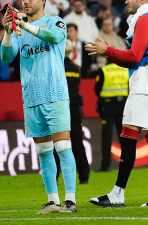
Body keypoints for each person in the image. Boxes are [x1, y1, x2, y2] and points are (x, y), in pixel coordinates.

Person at [86, 0, 148, 207]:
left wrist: (109, 51)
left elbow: (134, 56)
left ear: (141, 0)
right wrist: (111, 54)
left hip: (144, 85)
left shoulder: (144, 19)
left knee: (128, 137)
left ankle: (117, 194)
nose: (126, 1)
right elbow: (134, 57)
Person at [0, 0, 77, 213]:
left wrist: (24, 24)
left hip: (55, 94)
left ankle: (70, 200)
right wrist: (8, 32)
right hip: (31, 98)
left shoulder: (56, 21)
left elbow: (53, 37)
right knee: (44, 153)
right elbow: (6, 57)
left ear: (42, 0)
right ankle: (53, 200)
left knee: (63, 147)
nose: (25, 1)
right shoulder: (19, 29)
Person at [93, 59, 129, 172]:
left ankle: (106, 165)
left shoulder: (104, 70)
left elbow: (97, 89)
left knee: (107, 137)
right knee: (124, 136)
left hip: (108, 106)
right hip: (123, 105)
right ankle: (128, 163)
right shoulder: (125, 70)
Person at [63, 39, 90, 185]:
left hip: (60, 108)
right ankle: (84, 176)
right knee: (78, 143)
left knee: (56, 143)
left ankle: (53, 177)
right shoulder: (76, 68)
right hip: (75, 108)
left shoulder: (55, 67)